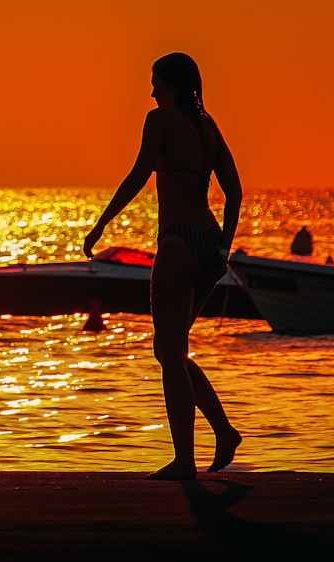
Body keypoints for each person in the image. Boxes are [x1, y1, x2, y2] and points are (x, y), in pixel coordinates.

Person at [82, 53, 243, 480]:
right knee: (171, 349)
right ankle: (224, 432)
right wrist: (223, 248)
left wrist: (102, 222)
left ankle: (185, 461)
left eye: (155, 82)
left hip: (176, 244)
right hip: (208, 245)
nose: (151, 91)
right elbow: (235, 191)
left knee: (169, 354)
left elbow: (138, 174)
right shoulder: (208, 126)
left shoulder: (160, 120)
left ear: (170, 84)